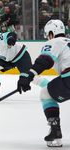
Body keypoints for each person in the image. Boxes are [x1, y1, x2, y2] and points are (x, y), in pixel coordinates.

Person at [17, 19, 68, 147]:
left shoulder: (54, 42)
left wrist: (29, 75)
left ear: (51, 33)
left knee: (46, 93)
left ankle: (55, 129)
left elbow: (45, 60)